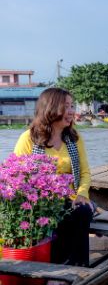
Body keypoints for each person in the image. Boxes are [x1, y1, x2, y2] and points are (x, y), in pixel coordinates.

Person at [14, 87, 92, 267]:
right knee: (51, 219)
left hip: (70, 199)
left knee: (83, 211)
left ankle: (79, 267)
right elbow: (17, 176)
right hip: (39, 202)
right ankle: (55, 270)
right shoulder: (29, 138)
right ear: (50, 108)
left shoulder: (74, 137)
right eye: (66, 106)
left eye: (72, 106)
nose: (72, 111)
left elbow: (85, 173)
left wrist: (82, 194)